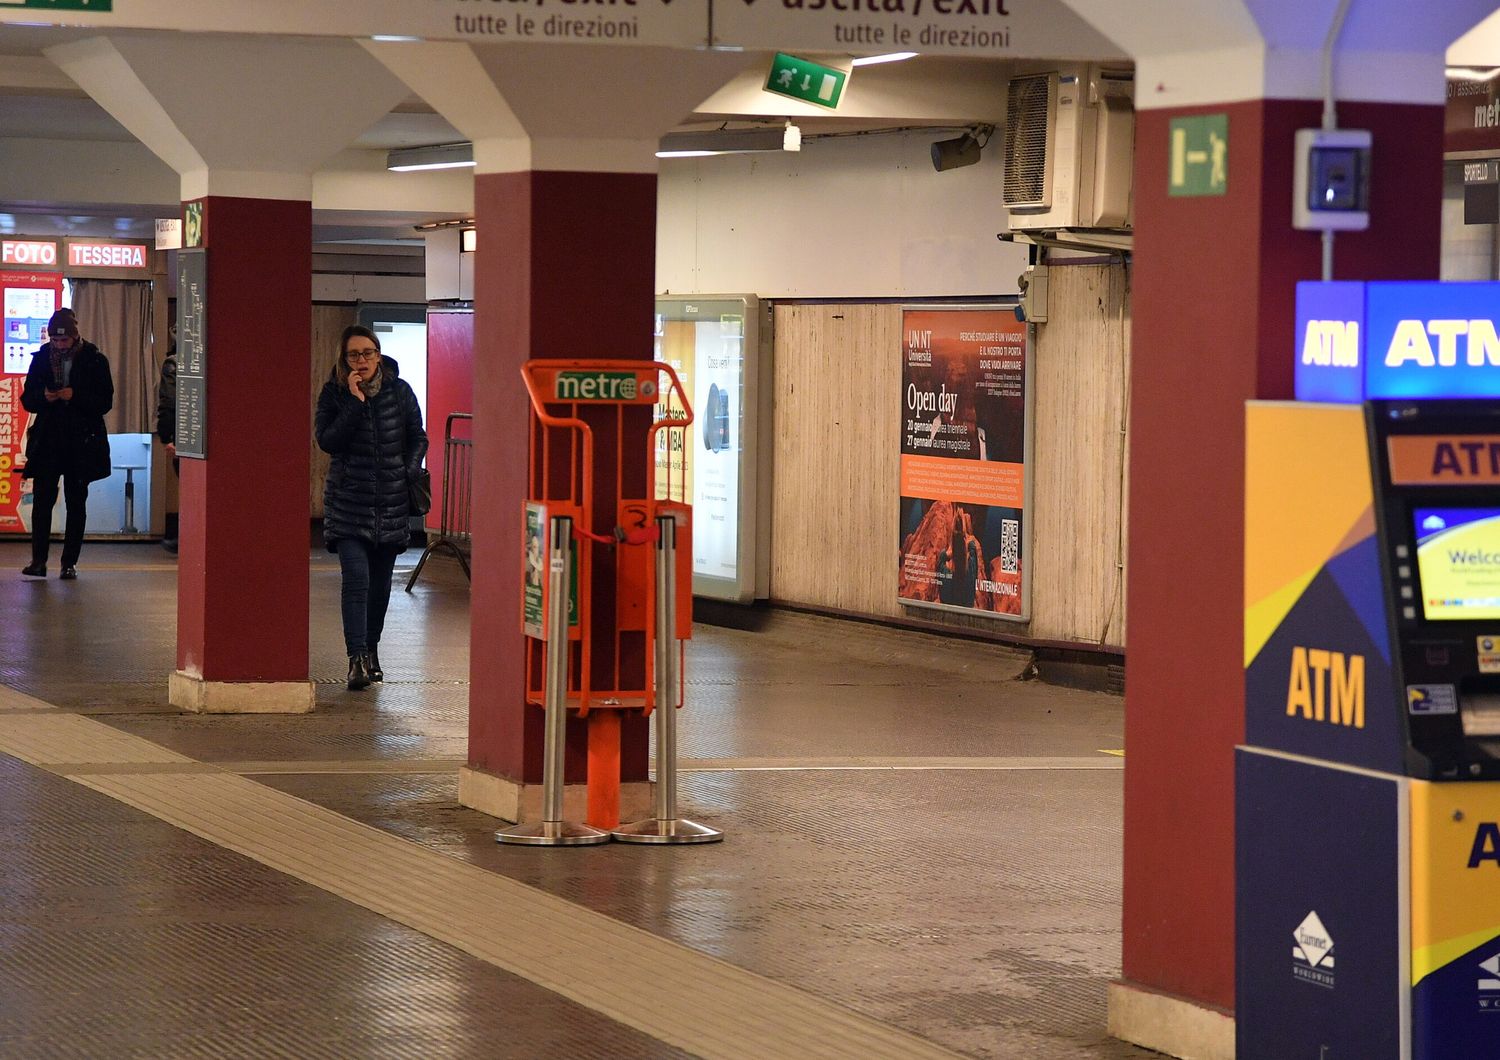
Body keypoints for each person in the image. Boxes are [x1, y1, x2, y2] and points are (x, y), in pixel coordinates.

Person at [315, 325, 427, 691]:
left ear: (378, 355)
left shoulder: (400, 392)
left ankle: (373, 650)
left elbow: (417, 437)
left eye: (367, 353)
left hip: (390, 503)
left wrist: (406, 470)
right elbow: (328, 441)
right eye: (353, 355)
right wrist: (353, 403)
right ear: (344, 360)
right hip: (348, 503)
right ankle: (356, 658)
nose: (361, 361)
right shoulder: (334, 394)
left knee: (380, 587)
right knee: (357, 582)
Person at [20, 309, 113, 580]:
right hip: (49, 439)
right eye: (54, 340)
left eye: (63, 341)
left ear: (74, 337)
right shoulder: (41, 360)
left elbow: (105, 401)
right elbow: (28, 398)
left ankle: (69, 562)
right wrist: (44, 397)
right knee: (42, 501)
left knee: (76, 502)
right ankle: (38, 560)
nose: (58, 345)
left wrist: (76, 396)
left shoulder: (95, 360)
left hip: (81, 441)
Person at [155, 323, 178, 554]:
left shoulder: (173, 364)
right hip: (202, 436)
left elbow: (168, 403)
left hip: (181, 436)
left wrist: (167, 436)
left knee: (188, 488)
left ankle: (184, 538)